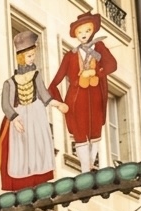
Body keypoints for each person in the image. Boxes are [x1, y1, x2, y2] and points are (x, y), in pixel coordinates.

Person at [48, 12, 118, 172]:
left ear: (93, 30)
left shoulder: (99, 47)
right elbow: (54, 82)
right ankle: (85, 169)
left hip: (96, 97)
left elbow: (112, 65)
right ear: (75, 35)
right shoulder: (70, 56)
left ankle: (90, 165)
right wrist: (59, 103)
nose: (84, 34)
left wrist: (96, 72)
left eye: (87, 30)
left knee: (95, 133)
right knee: (80, 134)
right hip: (76, 99)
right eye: (80, 32)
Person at [0, 30, 67, 191]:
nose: (32, 58)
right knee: (22, 148)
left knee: (38, 145)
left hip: (36, 114)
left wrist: (58, 105)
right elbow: (5, 104)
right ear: (21, 57)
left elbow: (45, 95)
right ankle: (24, 182)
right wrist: (14, 118)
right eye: (29, 56)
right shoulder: (10, 82)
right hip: (21, 116)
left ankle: (39, 179)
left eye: (33, 55)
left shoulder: (36, 75)